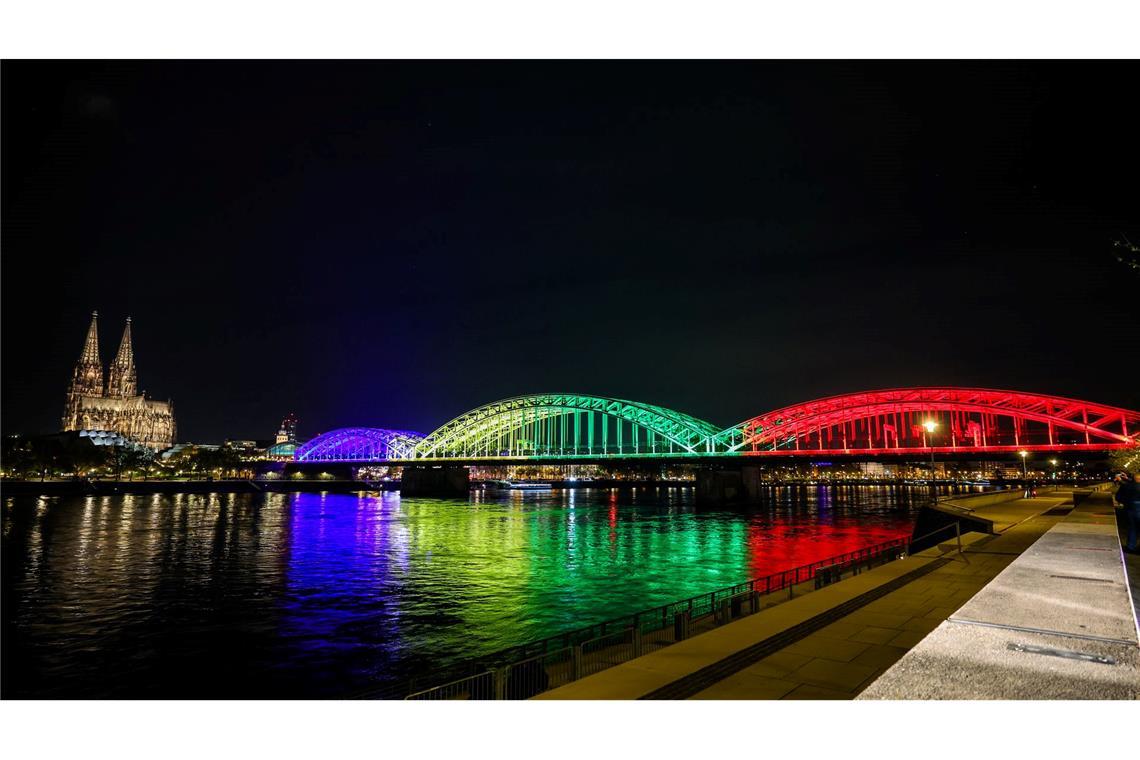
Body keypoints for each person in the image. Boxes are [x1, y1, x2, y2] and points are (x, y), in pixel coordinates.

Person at [1113, 472, 1140, 553]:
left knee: (1132, 528)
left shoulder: (1129, 486)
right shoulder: (1132, 485)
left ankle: (1130, 546)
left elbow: (1126, 487)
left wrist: (1121, 480)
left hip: (1131, 508)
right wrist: (1126, 479)